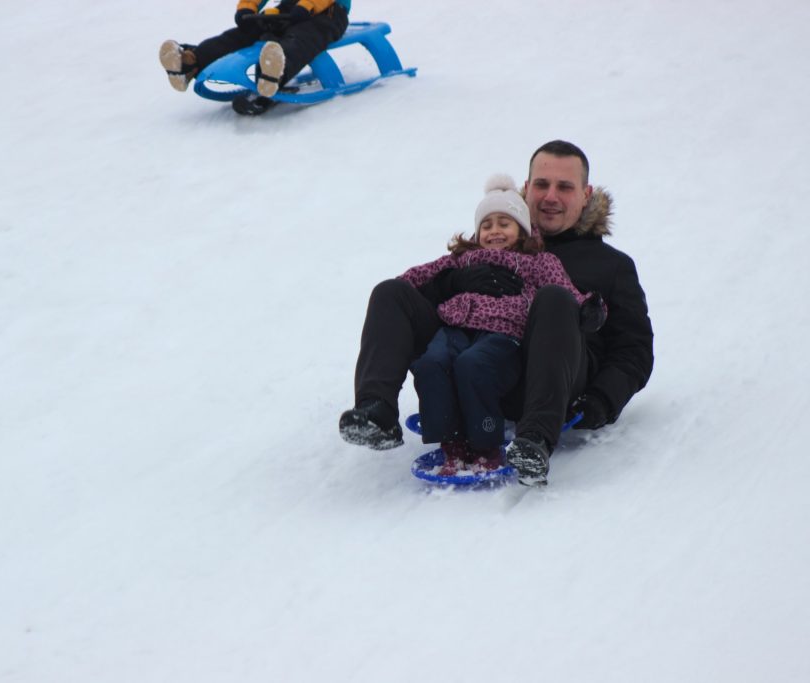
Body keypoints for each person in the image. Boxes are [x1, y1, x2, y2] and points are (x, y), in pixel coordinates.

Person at [339, 140, 654, 486]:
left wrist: (602, 399)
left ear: (585, 193)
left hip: (546, 383)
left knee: (553, 299)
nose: (550, 196)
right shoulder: (500, 234)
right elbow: (430, 290)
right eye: (542, 184)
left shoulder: (612, 265)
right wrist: (451, 282)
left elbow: (634, 350)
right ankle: (376, 411)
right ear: (526, 187)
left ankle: (534, 438)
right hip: (470, 364)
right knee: (391, 293)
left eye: (564, 187)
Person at [400, 174, 604, 477]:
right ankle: (451, 444)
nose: (494, 231)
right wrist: (444, 283)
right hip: (455, 327)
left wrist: (590, 306)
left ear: (522, 229)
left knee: (474, 365)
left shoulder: (537, 261)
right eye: (486, 224)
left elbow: (565, 293)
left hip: (504, 331)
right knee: (431, 363)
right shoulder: (461, 260)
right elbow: (415, 279)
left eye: (504, 223)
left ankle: (485, 445)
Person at [159, 1, 350, 114]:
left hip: (328, 14)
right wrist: (247, 8)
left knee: (301, 39)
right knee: (244, 32)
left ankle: (273, 73)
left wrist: (308, 5)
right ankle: (192, 62)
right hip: (289, 9)